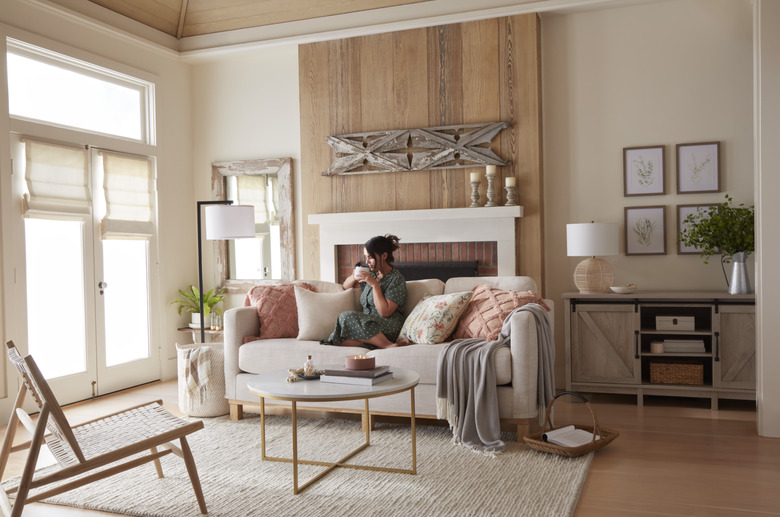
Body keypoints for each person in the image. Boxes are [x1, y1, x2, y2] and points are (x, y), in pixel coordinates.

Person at [321, 234, 410, 349]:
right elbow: (345, 287)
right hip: (366, 325)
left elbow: (385, 312)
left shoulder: (396, 279)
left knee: (346, 316)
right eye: (366, 257)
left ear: (384, 256)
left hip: (388, 325)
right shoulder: (371, 274)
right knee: (336, 339)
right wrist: (354, 276)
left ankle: (387, 345)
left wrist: (375, 285)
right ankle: (378, 345)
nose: (367, 261)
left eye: (370, 257)